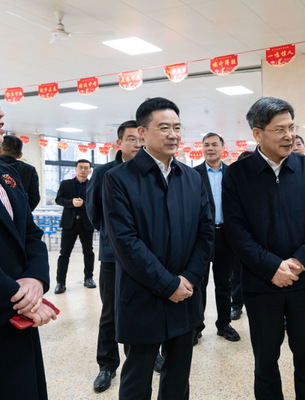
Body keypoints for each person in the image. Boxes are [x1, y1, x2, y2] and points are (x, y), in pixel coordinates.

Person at [103, 97, 213, 400]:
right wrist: (168, 284)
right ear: (142, 132)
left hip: (186, 294)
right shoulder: (118, 179)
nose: (173, 135)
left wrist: (188, 278)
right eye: (164, 127)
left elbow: (205, 233)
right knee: (137, 378)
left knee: (178, 375)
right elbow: (125, 242)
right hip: (142, 294)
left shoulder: (191, 178)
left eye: (177, 127)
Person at [223, 97, 305, 400]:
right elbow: (236, 230)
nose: (289, 136)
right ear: (258, 134)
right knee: (266, 361)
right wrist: (272, 267)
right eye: (280, 129)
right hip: (261, 286)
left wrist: (299, 262)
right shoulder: (238, 174)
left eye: (292, 127)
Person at [87, 120, 164, 393]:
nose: (138, 144)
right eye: (131, 139)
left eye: (141, 139)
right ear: (119, 143)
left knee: (144, 308)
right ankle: (107, 364)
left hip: (146, 255)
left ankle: (147, 354)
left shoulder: (152, 171)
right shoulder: (105, 172)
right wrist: (113, 237)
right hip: (113, 257)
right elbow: (94, 212)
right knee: (111, 312)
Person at [0, 108, 58, 400]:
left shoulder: (7, 174)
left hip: (17, 320)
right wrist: (20, 298)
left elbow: (30, 233)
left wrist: (35, 279)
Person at [193, 132, 240, 343]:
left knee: (224, 283)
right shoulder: (193, 174)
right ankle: (196, 326)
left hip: (225, 236)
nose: (210, 148)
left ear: (222, 148)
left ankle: (224, 324)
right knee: (199, 283)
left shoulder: (233, 174)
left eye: (214, 144)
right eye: (206, 145)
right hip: (202, 237)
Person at [54, 159, 95, 294]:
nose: (83, 170)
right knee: (64, 253)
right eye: (80, 167)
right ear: (76, 169)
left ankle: (88, 278)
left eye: (86, 168)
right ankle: (60, 282)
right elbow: (58, 199)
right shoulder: (66, 184)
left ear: (90, 171)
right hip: (69, 223)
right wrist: (71, 202)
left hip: (86, 223)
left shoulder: (93, 185)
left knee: (88, 252)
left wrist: (83, 204)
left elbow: (96, 202)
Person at [229, 150, 253, 321]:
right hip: (239, 238)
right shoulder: (234, 184)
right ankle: (236, 305)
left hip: (260, 240)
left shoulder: (264, 183)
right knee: (236, 274)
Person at [0, 135, 40, 211]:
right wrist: (22, 213)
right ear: (20, 155)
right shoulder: (29, 170)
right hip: (20, 214)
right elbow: (34, 198)